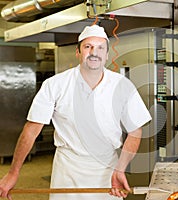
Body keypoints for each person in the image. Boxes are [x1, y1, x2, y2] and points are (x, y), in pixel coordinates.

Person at [0, 24, 152, 200]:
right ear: (78, 52)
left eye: (100, 47)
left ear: (107, 55)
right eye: (88, 47)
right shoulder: (55, 84)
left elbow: (135, 131)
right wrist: (13, 173)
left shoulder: (123, 86)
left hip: (107, 171)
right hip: (68, 171)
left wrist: (120, 168)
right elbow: (31, 129)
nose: (94, 52)